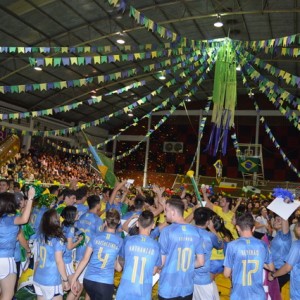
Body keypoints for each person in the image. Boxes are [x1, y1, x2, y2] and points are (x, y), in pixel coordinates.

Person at [71, 209, 123, 300]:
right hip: (104, 283)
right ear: (118, 222)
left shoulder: (95, 236)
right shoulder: (120, 241)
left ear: (106, 222)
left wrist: (74, 278)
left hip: (89, 280)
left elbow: (85, 259)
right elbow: (118, 267)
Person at [158, 198, 204, 300]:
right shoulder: (196, 232)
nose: (165, 214)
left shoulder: (167, 232)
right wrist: (186, 266)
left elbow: (161, 262)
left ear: (173, 212)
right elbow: (201, 262)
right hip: (187, 288)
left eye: (166, 210)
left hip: (168, 288)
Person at [224, 212, 274, 300]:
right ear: (254, 228)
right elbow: (271, 268)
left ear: (237, 228)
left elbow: (226, 273)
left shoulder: (232, 245)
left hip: (239, 294)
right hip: (258, 295)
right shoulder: (262, 245)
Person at [116, 210, 161, 300]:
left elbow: (119, 264)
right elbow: (154, 271)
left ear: (137, 223)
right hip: (143, 292)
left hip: (125, 289)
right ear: (153, 225)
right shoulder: (156, 246)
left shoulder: (128, 240)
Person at [0, 187, 35, 300]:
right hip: (6, 261)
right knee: (7, 295)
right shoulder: (10, 219)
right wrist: (30, 198)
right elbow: (24, 219)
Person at [33, 208, 70, 300]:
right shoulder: (57, 240)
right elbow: (59, 261)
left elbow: (37, 259)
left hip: (38, 277)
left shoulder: (42, 236)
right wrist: (65, 280)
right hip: (51, 279)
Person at [193, 207, 221, 300]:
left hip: (188, 278)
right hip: (204, 280)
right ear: (208, 221)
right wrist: (212, 229)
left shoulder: (187, 232)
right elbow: (220, 245)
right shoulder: (210, 236)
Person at [61, 206, 83, 300]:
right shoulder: (70, 228)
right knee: (76, 287)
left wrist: (75, 238)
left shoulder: (63, 224)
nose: (78, 214)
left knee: (62, 288)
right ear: (72, 215)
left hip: (62, 258)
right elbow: (69, 246)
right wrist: (79, 240)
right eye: (76, 213)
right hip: (66, 261)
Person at [270, 214, 291, 290]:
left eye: (279, 220)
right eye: (275, 220)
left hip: (280, 271)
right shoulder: (278, 234)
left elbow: (285, 219)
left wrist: (284, 208)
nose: (275, 221)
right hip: (275, 269)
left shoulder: (285, 235)